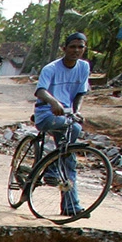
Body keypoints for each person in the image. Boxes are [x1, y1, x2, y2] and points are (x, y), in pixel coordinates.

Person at [34, 33, 91, 216]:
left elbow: (80, 93)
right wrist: (54, 103)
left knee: (70, 160)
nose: (76, 50)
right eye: (73, 46)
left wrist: (76, 111)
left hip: (67, 116)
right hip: (47, 113)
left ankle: (70, 206)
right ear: (64, 48)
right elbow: (40, 91)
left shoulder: (83, 67)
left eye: (80, 47)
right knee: (72, 129)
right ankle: (51, 167)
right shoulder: (51, 68)